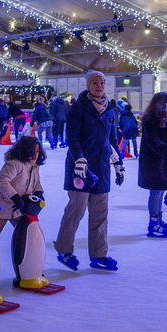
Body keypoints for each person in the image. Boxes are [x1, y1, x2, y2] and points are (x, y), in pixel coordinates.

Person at [54, 71, 122, 272]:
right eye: (95, 83)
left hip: (101, 168)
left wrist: (118, 162)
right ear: (88, 85)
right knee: (76, 210)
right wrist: (80, 159)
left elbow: (112, 140)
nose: (99, 86)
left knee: (100, 213)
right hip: (80, 167)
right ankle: (64, 250)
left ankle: (99, 255)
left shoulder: (110, 109)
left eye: (102, 82)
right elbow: (72, 138)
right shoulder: (78, 108)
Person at [139, 92, 167, 239]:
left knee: (161, 189)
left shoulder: (166, 117)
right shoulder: (151, 118)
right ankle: (153, 223)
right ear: (161, 103)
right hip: (153, 161)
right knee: (156, 191)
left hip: (163, 159)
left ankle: (158, 219)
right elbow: (151, 140)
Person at [0, 135, 44, 241]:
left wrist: (39, 193)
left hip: (19, 208)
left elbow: (36, 181)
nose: (35, 155)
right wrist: (15, 197)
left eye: (37, 151)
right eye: (32, 151)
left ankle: (21, 254)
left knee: (25, 234)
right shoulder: (14, 164)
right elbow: (2, 181)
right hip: (3, 205)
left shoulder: (34, 167)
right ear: (24, 151)